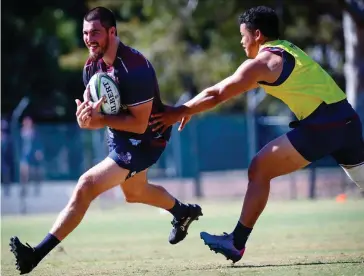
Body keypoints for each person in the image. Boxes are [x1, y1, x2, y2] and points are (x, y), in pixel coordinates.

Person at [150, 6, 364, 263]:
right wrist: (188, 108)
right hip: (347, 120)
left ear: (258, 35)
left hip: (322, 126)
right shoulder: (287, 49)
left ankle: (236, 242)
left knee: (259, 169)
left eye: (243, 35)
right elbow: (216, 90)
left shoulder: (264, 63)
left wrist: (177, 112)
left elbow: (218, 94)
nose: (241, 41)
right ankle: (235, 242)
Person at [10, 7, 202, 274]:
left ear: (112, 32)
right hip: (120, 136)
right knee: (134, 193)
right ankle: (182, 212)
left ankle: (35, 255)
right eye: (86, 33)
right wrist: (85, 119)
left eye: (96, 33)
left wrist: (99, 121)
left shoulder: (134, 67)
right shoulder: (92, 66)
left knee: (86, 185)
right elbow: (91, 119)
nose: (89, 39)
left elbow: (138, 123)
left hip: (147, 138)